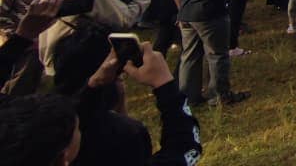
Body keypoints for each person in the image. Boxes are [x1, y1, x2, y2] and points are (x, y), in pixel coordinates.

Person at [0, 39, 202, 166]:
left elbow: (67, 118)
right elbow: (185, 149)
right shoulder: (127, 135)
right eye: (77, 128)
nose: (80, 120)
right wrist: (164, 85)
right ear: (64, 158)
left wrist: (93, 86)